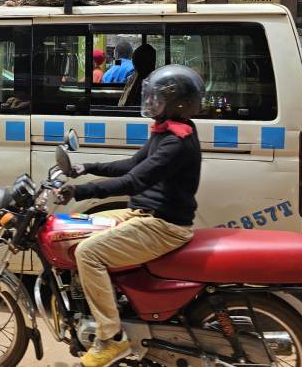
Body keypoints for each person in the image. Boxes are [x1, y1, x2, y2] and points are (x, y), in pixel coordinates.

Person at [56, 65, 203, 367]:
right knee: (78, 229)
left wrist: (81, 192)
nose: (149, 102)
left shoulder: (176, 142)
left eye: (157, 98)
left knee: (88, 254)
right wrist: (87, 167)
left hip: (163, 225)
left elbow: (134, 181)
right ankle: (110, 306)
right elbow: (133, 164)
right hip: (142, 213)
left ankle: (112, 339)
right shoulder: (168, 131)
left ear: (176, 103)